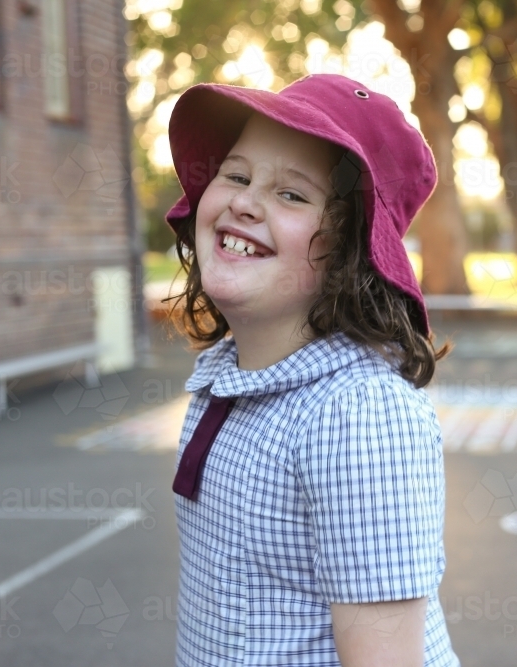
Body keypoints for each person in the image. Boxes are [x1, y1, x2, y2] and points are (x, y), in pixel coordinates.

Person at [162, 73, 459, 667]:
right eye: (237, 176)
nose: (244, 201)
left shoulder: (358, 414)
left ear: (352, 252)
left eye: (292, 194)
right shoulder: (230, 377)